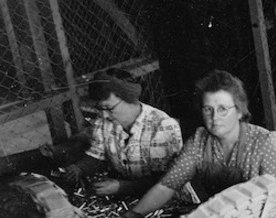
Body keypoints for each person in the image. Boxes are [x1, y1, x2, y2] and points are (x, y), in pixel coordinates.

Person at [119, 70, 276, 218]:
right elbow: (167, 186)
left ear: (240, 111)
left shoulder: (264, 145)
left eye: (223, 109)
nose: (215, 117)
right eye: (208, 109)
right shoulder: (199, 142)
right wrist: (133, 214)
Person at [62, 67, 184, 198]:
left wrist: (122, 187)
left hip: (164, 197)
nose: (104, 115)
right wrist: (80, 168)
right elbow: (97, 155)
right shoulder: (104, 121)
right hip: (128, 195)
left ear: (130, 100)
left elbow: (166, 181)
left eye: (109, 108)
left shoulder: (162, 126)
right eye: (100, 108)